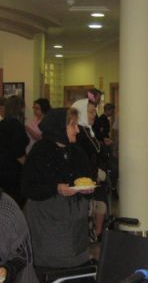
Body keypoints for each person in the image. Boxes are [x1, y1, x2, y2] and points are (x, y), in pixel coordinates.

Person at [21, 107, 95, 268]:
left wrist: (87, 189)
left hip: (75, 219)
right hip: (48, 218)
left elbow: (87, 178)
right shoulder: (40, 151)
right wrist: (56, 188)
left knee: (76, 257)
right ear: (59, 127)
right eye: (73, 125)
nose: (77, 130)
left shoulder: (77, 151)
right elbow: (28, 187)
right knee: (53, 261)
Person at [72, 98, 108, 239]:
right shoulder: (79, 132)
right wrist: (95, 172)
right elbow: (81, 158)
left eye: (95, 112)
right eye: (91, 112)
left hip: (94, 177)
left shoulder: (88, 130)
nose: (94, 115)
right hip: (85, 179)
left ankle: (96, 234)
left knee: (99, 205)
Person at [0, 95, 29, 207]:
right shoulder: (16, 126)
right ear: (20, 108)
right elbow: (18, 153)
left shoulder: (2, 123)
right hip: (12, 170)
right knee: (15, 201)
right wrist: (28, 166)